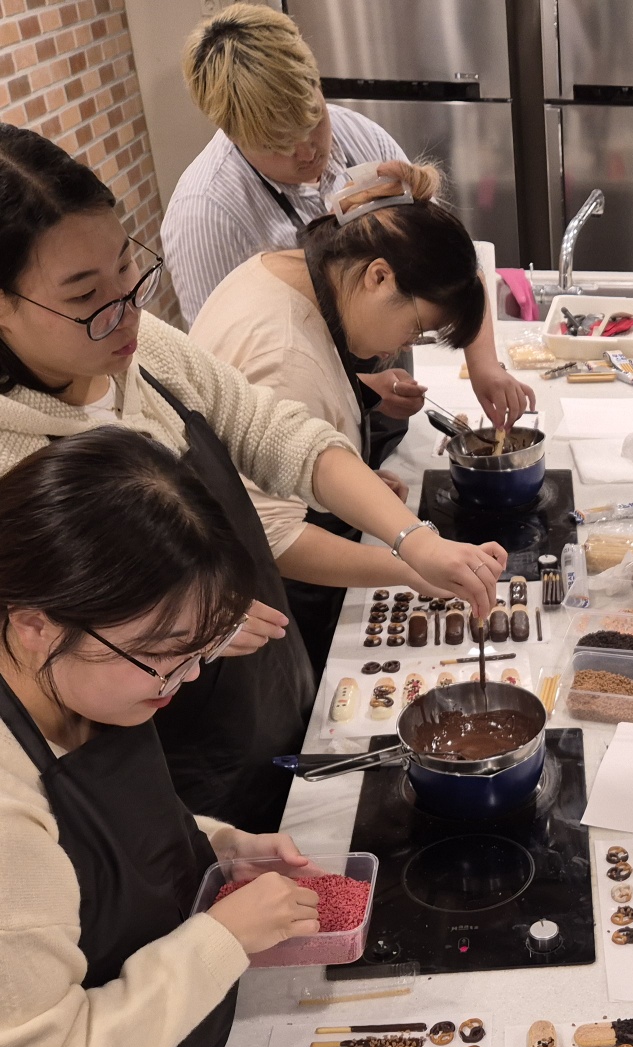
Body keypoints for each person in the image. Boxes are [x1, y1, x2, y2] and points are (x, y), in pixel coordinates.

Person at [0, 124, 506, 831]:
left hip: (264, 686)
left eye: (127, 269)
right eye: (86, 296)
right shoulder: (15, 457)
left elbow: (280, 435)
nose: (127, 311)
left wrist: (414, 542)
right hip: (168, 753)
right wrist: (181, 627)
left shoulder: (145, 349)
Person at [0, 427, 323, 1047]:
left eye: (195, 658)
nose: (179, 687)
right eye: (159, 661)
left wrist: (216, 844)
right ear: (34, 626)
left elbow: (106, 840)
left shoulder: (82, 682)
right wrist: (223, 936)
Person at [164, 3, 532, 435]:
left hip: (370, 410)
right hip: (292, 421)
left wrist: (485, 366)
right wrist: (360, 388)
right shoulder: (206, 212)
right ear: (232, 133)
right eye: (279, 143)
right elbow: (225, 378)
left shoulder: (357, 136)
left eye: (313, 121)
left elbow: (446, 263)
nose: (307, 152)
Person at [191, 160, 486, 668]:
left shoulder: (283, 269)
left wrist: (352, 486)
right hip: (256, 605)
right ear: (378, 276)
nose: (403, 346)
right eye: (414, 328)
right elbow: (275, 538)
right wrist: (407, 564)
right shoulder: (284, 352)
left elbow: (286, 424)